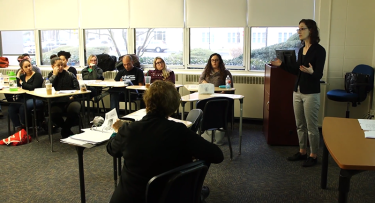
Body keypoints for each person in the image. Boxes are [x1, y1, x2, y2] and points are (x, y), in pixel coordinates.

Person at [107, 80, 224, 202]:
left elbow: (111, 149)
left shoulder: (128, 130)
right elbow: (217, 155)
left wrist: (117, 130)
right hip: (169, 196)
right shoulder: (179, 132)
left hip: (131, 198)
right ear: (173, 106)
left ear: (147, 102)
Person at [270, 19, 326, 167]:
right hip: (298, 91)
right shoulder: (301, 49)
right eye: (298, 29)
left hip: (311, 93)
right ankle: (302, 152)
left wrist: (312, 71)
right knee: (300, 124)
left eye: (302, 28)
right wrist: (281, 64)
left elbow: (319, 74)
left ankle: (313, 155)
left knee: (311, 126)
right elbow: (296, 70)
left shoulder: (319, 50)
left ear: (311, 30)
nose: (299, 31)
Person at [199, 53, 234, 145]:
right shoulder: (206, 71)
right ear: (210, 61)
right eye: (212, 60)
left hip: (220, 98)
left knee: (216, 108)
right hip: (208, 96)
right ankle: (206, 131)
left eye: (216, 60)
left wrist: (222, 93)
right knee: (202, 105)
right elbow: (200, 80)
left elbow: (230, 87)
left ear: (220, 61)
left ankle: (218, 133)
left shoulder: (225, 72)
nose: (214, 62)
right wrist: (206, 83)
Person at [47, 56, 81, 138]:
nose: (61, 67)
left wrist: (73, 96)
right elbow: (46, 87)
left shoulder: (70, 75)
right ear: (52, 66)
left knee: (75, 109)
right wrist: (54, 75)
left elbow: (77, 89)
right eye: (58, 65)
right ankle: (66, 129)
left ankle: (65, 129)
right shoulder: (50, 76)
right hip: (57, 101)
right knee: (53, 113)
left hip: (70, 100)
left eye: (62, 65)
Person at [8, 59, 44, 132]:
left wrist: (22, 83)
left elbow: (32, 87)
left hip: (36, 98)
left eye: (29, 66)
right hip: (24, 97)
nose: (28, 68)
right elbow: (17, 85)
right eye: (26, 67)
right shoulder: (22, 77)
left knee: (23, 106)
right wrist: (18, 75)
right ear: (22, 69)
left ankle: (25, 125)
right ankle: (19, 127)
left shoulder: (37, 75)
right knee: (11, 108)